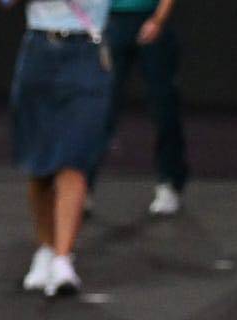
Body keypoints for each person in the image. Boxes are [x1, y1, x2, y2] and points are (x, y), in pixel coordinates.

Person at [8, 0, 113, 297]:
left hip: (87, 50)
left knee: (74, 156)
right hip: (39, 48)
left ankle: (63, 258)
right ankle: (46, 248)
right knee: (39, 164)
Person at [89, 0, 187, 216]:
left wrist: (158, 19)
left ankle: (169, 183)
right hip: (111, 20)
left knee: (164, 107)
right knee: (100, 108)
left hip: (152, 19)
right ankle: (83, 187)